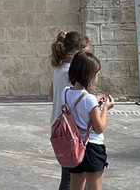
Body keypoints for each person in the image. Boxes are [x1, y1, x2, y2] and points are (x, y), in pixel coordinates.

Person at [63, 51, 114, 190]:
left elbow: (78, 104)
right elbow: (99, 128)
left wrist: (94, 102)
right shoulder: (89, 99)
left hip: (75, 146)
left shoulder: (65, 92)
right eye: (97, 75)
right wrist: (105, 108)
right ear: (89, 76)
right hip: (92, 147)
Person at [50, 31, 92, 190]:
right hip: (71, 129)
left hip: (59, 125)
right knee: (72, 178)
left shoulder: (59, 70)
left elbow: (52, 93)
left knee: (70, 174)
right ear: (78, 52)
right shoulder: (71, 73)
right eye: (86, 53)